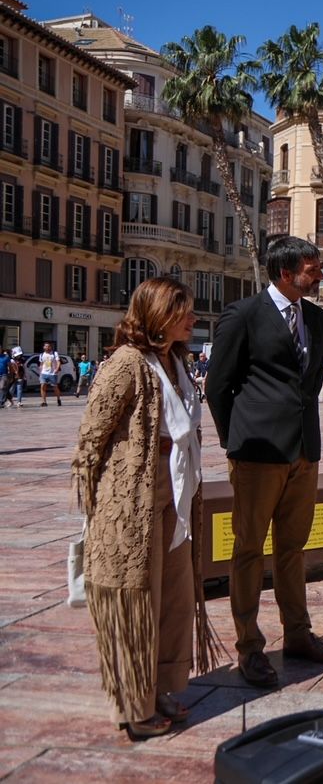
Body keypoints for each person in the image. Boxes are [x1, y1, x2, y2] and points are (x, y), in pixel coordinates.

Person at [70, 277, 220, 739]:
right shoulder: (126, 364)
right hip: (133, 496)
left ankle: (163, 685)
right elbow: (91, 439)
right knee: (135, 596)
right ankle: (133, 704)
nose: (193, 319)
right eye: (184, 312)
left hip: (176, 491)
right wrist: (97, 507)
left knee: (174, 593)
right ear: (160, 316)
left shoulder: (175, 361)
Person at [204, 236, 323, 689]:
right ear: (285, 273)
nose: (319, 273)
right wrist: (236, 442)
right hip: (257, 454)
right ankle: (249, 647)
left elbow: (310, 385)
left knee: (293, 548)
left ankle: (298, 635)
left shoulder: (318, 319)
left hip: (305, 452)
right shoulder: (242, 316)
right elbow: (217, 387)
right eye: (312, 267)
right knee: (248, 550)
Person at [38, 341, 62, 407]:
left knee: (55, 387)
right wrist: (40, 372)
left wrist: (57, 369)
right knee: (42, 386)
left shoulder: (54, 353)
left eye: (49, 346)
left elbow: (58, 362)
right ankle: (44, 402)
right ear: (44, 347)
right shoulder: (41, 355)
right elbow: (41, 364)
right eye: (46, 346)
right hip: (43, 373)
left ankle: (58, 399)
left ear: (50, 347)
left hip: (52, 373)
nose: (47, 347)